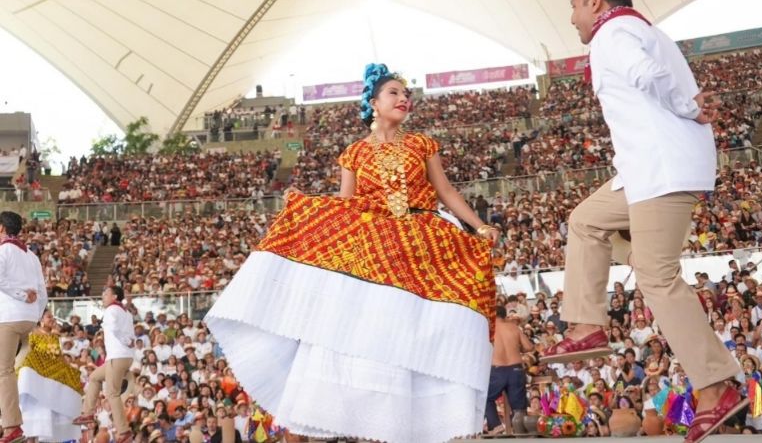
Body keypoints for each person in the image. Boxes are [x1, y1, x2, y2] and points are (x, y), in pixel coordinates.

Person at [204, 63, 499, 443]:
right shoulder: (354, 154)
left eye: (406, 94)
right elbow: (346, 208)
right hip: (377, 248)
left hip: (425, 242)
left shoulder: (422, 144)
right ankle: (371, 420)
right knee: (375, 334)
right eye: (394, 92)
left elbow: (445, 190)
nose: (404, 98)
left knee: (424, 330)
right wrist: (311, 214)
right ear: (373, 103)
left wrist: (480, 225)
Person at [545, 0, 743, 443]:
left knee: (656, 277)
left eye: (574, 4)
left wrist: (689, 106)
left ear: (594, 2)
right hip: (642, 171)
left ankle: (716, 386)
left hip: (662, 169)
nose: (571, 17)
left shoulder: (614, 33)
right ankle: (587, 323)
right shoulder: (636, 29)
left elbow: (647, 75)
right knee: (586, 221)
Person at [0, 211, 47, 443]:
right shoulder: (31, 255)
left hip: (8, 318)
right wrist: (34, 316)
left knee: (4, 371)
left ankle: (11, 426)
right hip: (28, 319)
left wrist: (20, 295)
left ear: (1, 229)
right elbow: (43, 293)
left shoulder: (3, 250)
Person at [72, 286, 135, 443]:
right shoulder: (126, 312)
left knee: (112, 394)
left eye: (105, 293)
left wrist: (125, 340)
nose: (102, 295)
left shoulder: (112, 309)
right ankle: (88, 412)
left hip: (117, 356)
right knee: (94, 377)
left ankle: (123, 430)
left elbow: (115, 329)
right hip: (124, 357)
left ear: (114, 296)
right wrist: (127, 341)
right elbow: (130, 336)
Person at [17, 310, 83, 442]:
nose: (52, 319)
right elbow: (28, 356)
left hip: (51, 383)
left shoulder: (55, 336)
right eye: (49, 317)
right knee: (34, 420)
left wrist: (71, 370)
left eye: (53, 317)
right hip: (37, 381)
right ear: (41, 320)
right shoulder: (33, 335)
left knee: (49, 420)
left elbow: (59, 357)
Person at [485, 305, 534, 435]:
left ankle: (495, 425)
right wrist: (517, 349)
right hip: (516, 369)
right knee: (518, 408)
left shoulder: (488, 329)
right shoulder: (513, 327)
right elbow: (529, 347)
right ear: (504, 315)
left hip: (497, 370)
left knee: (485, 398)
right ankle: (520, 433)